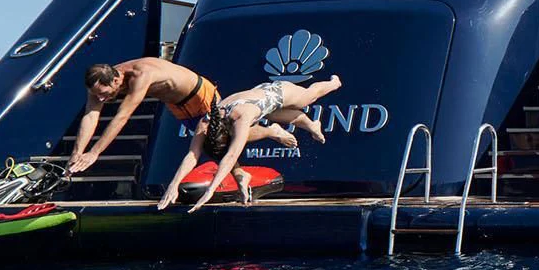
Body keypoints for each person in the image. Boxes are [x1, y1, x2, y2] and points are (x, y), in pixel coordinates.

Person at [156, 75, 342, 213]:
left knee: (308, 97)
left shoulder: (241, 117)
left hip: (277, 92)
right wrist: (173, 185)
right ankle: (244, 174)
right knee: (270, 116)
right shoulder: (206, 122)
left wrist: (210, 190)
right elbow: (192, 155)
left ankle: (333, 84)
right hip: (260, 107)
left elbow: (231, 156)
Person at [71, 58, 288, 174]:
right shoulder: (98, 84)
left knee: (220, 135)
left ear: (116, 81)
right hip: (176, 103)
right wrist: (77, 153)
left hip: (200, 93)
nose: (101, 99)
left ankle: (270, 131)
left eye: (104, 94)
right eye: (96, 95)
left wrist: (95, 153)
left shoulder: (141, 75)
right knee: (210, 144)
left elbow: (122, 117)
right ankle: (240, 176)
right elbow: (91, 116)